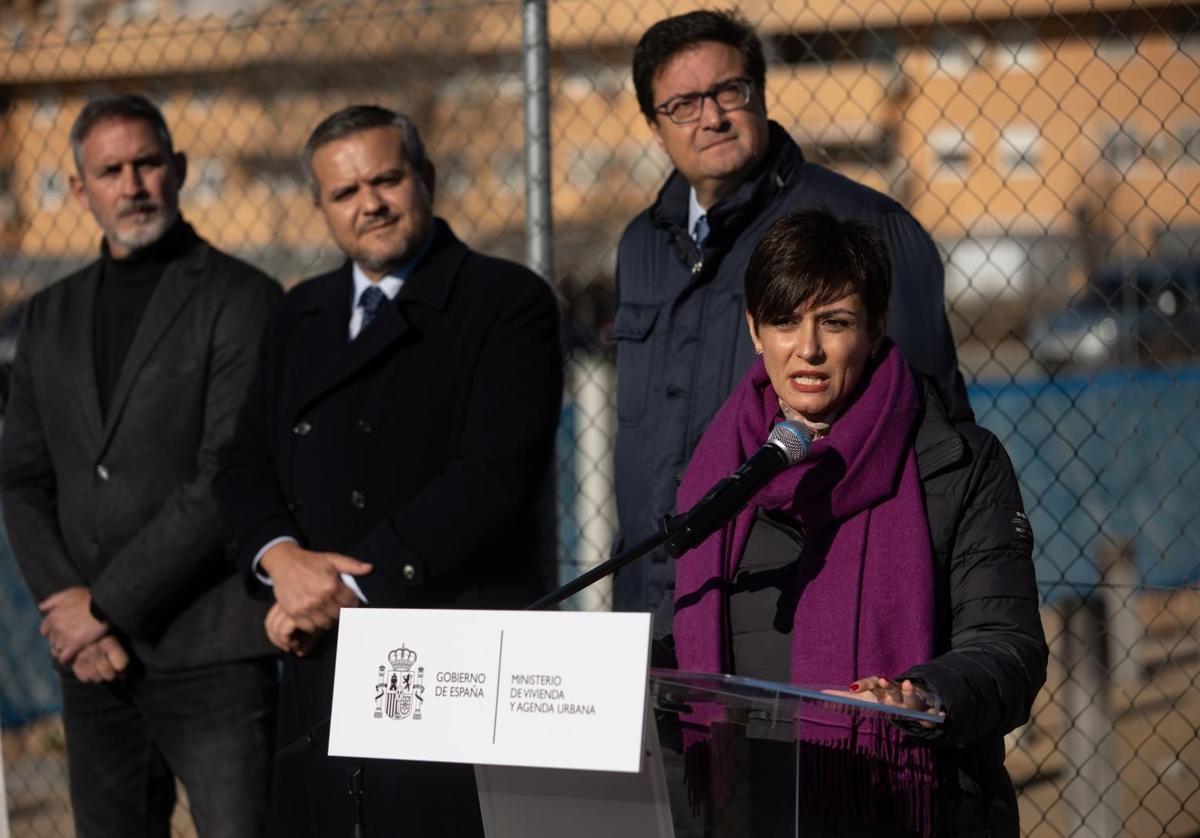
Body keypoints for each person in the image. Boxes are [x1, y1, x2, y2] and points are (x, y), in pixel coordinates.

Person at [213, 105, 562, 837]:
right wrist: (282, 561)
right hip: (321, 654)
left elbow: (494, 477)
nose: (369, 203)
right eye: (345, 192)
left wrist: (347, 587)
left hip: (451, 652)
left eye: (386, 179)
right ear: (322, 207)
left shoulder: (506, 301)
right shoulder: (298, 314)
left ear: (425, 179)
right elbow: (244, 461)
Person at [660, 207, 1046, 836]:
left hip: (909, 809)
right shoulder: (715, 474)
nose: (807, 348)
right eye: (785, 321)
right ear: (755, 331)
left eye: (834, 322)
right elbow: (687, 637)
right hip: (745, 809)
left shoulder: (957, 464)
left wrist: (922, 696)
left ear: (874, 328)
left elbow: (1010, 649)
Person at [613, 10, 963, 613]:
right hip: (655, 602)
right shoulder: (641, 245)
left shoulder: (865, 228)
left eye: (729, 91)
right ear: (654, 123)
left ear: (760, 94)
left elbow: (933, 437)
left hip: (795, 599)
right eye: (683, 105)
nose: (713, 118)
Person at [0, 94, 281, 838]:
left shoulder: (243, 298)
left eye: (147, 164)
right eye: (110, 170)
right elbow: (22, 476)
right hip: (93, 667)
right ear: (76, 188)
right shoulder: (48, 314)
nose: (132, 185)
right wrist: (67, 605)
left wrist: (101, 609)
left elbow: (227, 472)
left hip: (212, 651)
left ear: (179, 169)